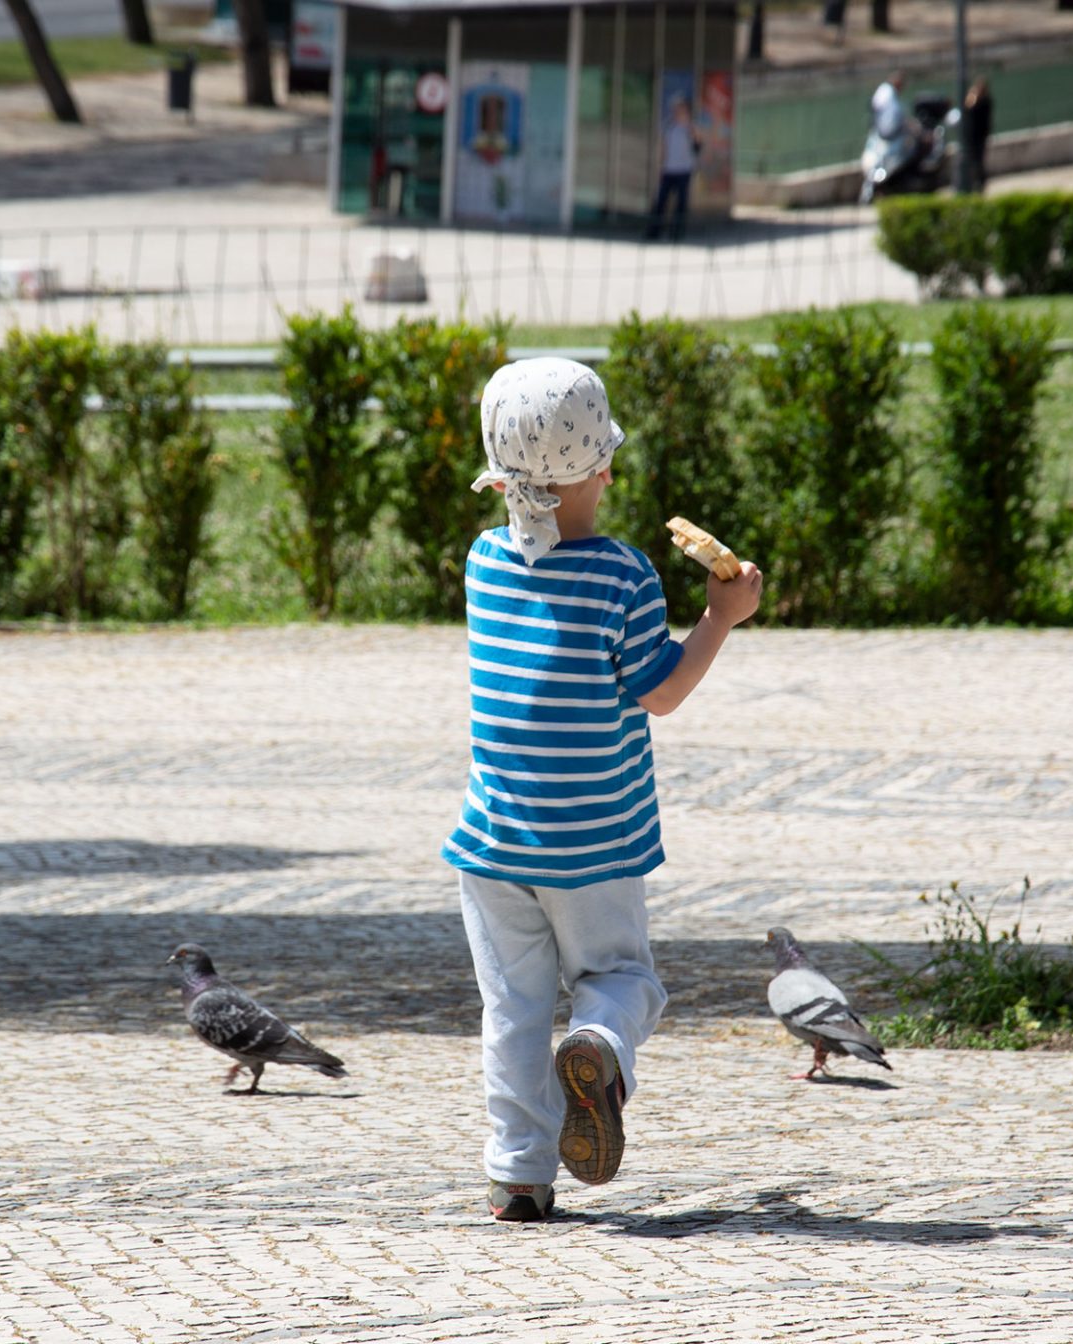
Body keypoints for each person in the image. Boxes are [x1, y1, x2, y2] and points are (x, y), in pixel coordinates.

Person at [445, 357, 764, 1223]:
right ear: (600, 470)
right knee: (621, 977)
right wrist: (719, 619)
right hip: (594, 844)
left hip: (490, 844)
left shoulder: (483, 563)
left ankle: (517, 1175)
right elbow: (660, 691)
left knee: (510, 1008)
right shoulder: (623, 576)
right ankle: (598, 1045)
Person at [646, 96, 699, 242]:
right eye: (676, 109)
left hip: (684, 170)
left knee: (681, 203)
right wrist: (661, 166)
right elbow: (663, 147)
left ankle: (677, 232)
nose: (677, 112)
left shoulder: (690, 127)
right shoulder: (668, 126)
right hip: (668, 169)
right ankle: (654, 231)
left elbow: (698, 145)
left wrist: (691, 129)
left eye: (681, 109)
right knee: (661, 201)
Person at [960, 78, 994, 194]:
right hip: (974, 136)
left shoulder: (984, 102)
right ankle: (976, 183)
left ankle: (979, 183)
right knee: (975, 161)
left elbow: (970, 107)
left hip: (979, 136)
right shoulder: (983, 101)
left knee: (977, 162)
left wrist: (972, 96)